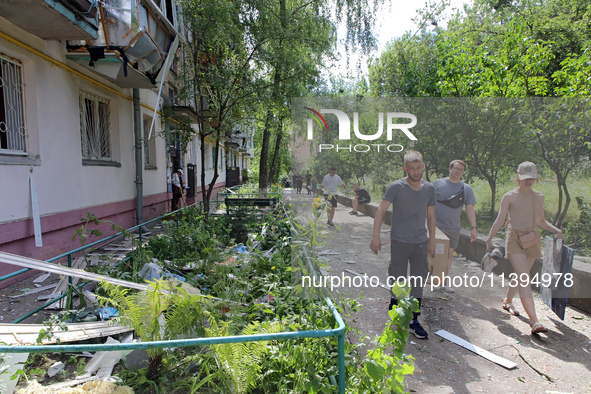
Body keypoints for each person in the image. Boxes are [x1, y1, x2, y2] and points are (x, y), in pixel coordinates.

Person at [486, 162, 563, 335]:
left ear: (536, 178)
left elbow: (541, 221)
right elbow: (499, 220)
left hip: (533, 239)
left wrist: (556, 230)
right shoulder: (510, 196)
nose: (528, 181)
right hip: (514, 238)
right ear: (518, 178)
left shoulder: (539, 197)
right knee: (524, 277)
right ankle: (535, 322)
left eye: (531, 178)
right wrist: (489, 239)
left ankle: (507, 301)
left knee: (521, 275)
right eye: (524, 178)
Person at [370, 150, 436, 339]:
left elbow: (431, 216)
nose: (415, 172)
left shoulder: (429, 189)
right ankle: (395, 303)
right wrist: (375, 236)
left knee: (418, 280)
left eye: (418, 168)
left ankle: (414, 320)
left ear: (422, 166)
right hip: (399, 241)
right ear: (405, 168)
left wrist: (432, 240)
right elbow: (380, 210)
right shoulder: (396, 187)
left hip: (420, 242)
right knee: (398, 277)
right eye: (411, 168)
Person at [433, 160, 478, 292]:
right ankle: (434, 280)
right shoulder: (437, 184)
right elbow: (427, 204)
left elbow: (470, 209)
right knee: (436, 254)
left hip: (453, 228)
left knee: (449, 255)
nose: (458, 172)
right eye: (456, 169)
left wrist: (474, 228)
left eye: (461, 170)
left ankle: (444, 282)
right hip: (437, 226)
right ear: (450, 168)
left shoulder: (466, 189)